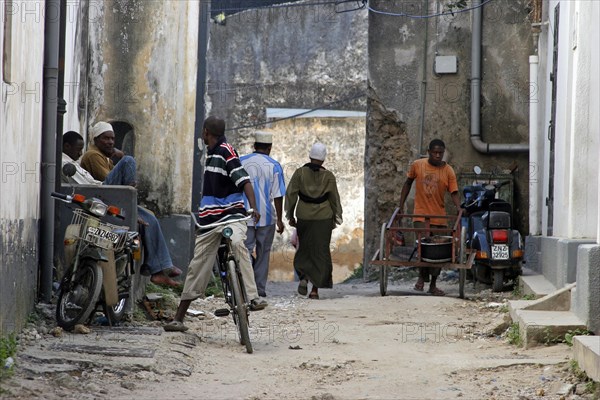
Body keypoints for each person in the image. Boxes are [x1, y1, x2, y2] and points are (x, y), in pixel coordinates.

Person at [164, 116, 267, 332]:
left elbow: (244, 179)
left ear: (205, 132)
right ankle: (179, 318)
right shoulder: (211, 154)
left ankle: (253, 297)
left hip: (232, 216)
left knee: (238, 246)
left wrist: (254, 207)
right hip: (210, 221)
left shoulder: (225, 151)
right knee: (198, 265)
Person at [65, 128, 182, 287]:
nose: (110, 142)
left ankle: (158, 269)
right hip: (98, 193)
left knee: (151, 219)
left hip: (101, 193)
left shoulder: (96, 158)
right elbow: (103, 179)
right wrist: (124, 178)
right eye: (106, 138)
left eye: (112, 139)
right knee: (128, 161)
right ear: (96, 140)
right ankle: (130, 198)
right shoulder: (90, 156)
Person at [398, 139, 462, 296]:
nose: (438, 155)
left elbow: (454, 192)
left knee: (438, 252)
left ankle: (433, 284)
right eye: (435, 153)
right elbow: (407, 183)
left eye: (440, 153)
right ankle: (421, 278)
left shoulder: (448, 171)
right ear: (429, 152)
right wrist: (401, 205)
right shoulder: (418, 165)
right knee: (424, 246)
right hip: (420, 214)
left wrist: (459, 208)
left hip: (439, 216)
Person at [285, 142, 343, 300]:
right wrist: (336, 217)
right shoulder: (329, 176)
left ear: (310, 156)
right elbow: (334, 199)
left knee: (304, 249)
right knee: (320, 252)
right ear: (323, 160)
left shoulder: (299, 173)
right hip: (323, 218)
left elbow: (291, 195)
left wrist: (290, 215)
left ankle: (303, 277)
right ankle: (315, 290)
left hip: (304, 217)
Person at [240, 131, 286, 297]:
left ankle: (245, 287)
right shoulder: (274, 165)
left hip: (244, 216)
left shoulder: (241, 162)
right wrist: (280, 220)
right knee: (263, 253)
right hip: (266, 217)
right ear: (270, 147)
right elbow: (278, 196)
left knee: (243, 252)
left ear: (254, 146)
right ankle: (259, 288)